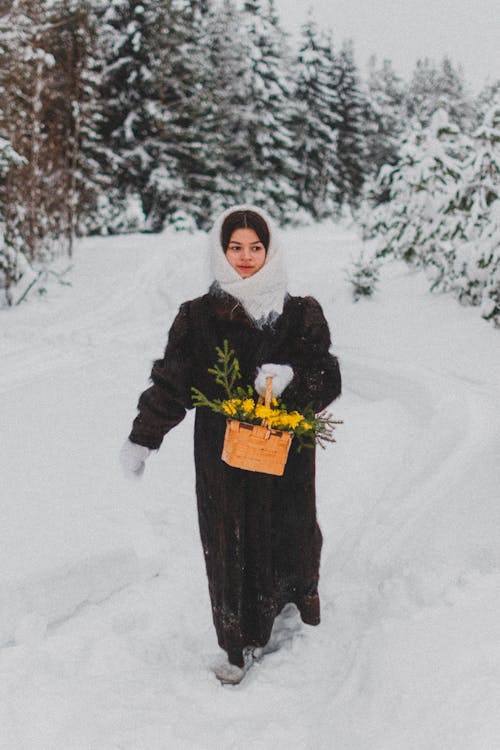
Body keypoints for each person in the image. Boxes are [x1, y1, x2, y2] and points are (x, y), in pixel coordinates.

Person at [120, 204, 342, 684]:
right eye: (235, 247)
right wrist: (144, 436)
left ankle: (287, 601)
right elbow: (171, 383)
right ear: (221, 251)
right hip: (223, 454)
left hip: (285, 452)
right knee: (229, 542)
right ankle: (236, 641)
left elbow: (328, 378)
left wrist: (293, 379)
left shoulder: (300, 313)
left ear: (270, 250)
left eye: (255, 247)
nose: (245, 257)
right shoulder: (198, 317)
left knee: (288, 530)